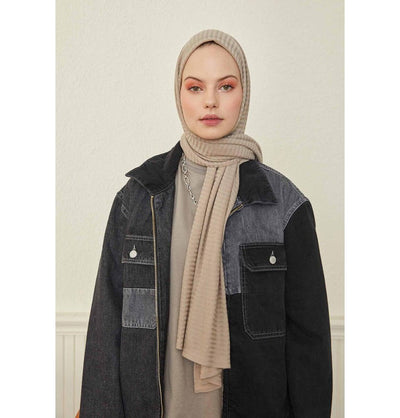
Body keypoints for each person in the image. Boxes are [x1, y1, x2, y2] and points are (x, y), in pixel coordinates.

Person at [78, 29, 332, 418]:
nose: (210, 101)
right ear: (178, 94)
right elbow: (107, 323)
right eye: (195, 87)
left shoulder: (283, 205)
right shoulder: (138, 198)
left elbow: (308, 341)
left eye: (225, 86)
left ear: (244, 93)